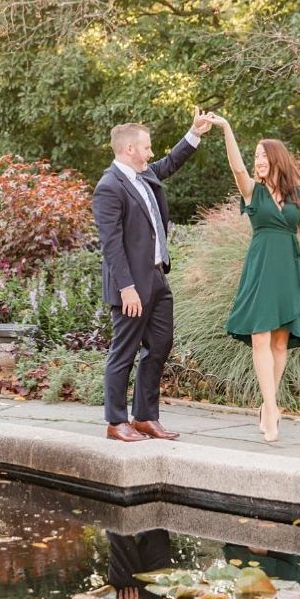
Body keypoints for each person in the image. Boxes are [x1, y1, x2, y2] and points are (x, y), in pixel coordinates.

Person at [203, 113, 300, 442]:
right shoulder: (251, 192)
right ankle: (272, 409)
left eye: (262, 155)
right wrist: (226, 127)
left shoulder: (299, 196)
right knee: (259, 337)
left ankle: (267, 405)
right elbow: (236, 168)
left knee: (279, 342)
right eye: (255, 155)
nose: (257, 160)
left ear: (276, 159)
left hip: (289, 268)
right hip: (260, 268)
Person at [93, 112, 213, 442]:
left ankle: (145, 417)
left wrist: (194, 133)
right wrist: (127, 288)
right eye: (146, 148)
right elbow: (111, 245)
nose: (151, 153)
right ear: (129, 149)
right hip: (131, 285)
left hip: (158, 279)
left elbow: (170, 163)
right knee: (124, 352)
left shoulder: (144, 176)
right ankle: (116, 422)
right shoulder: (109, 187)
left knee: (159, 346)